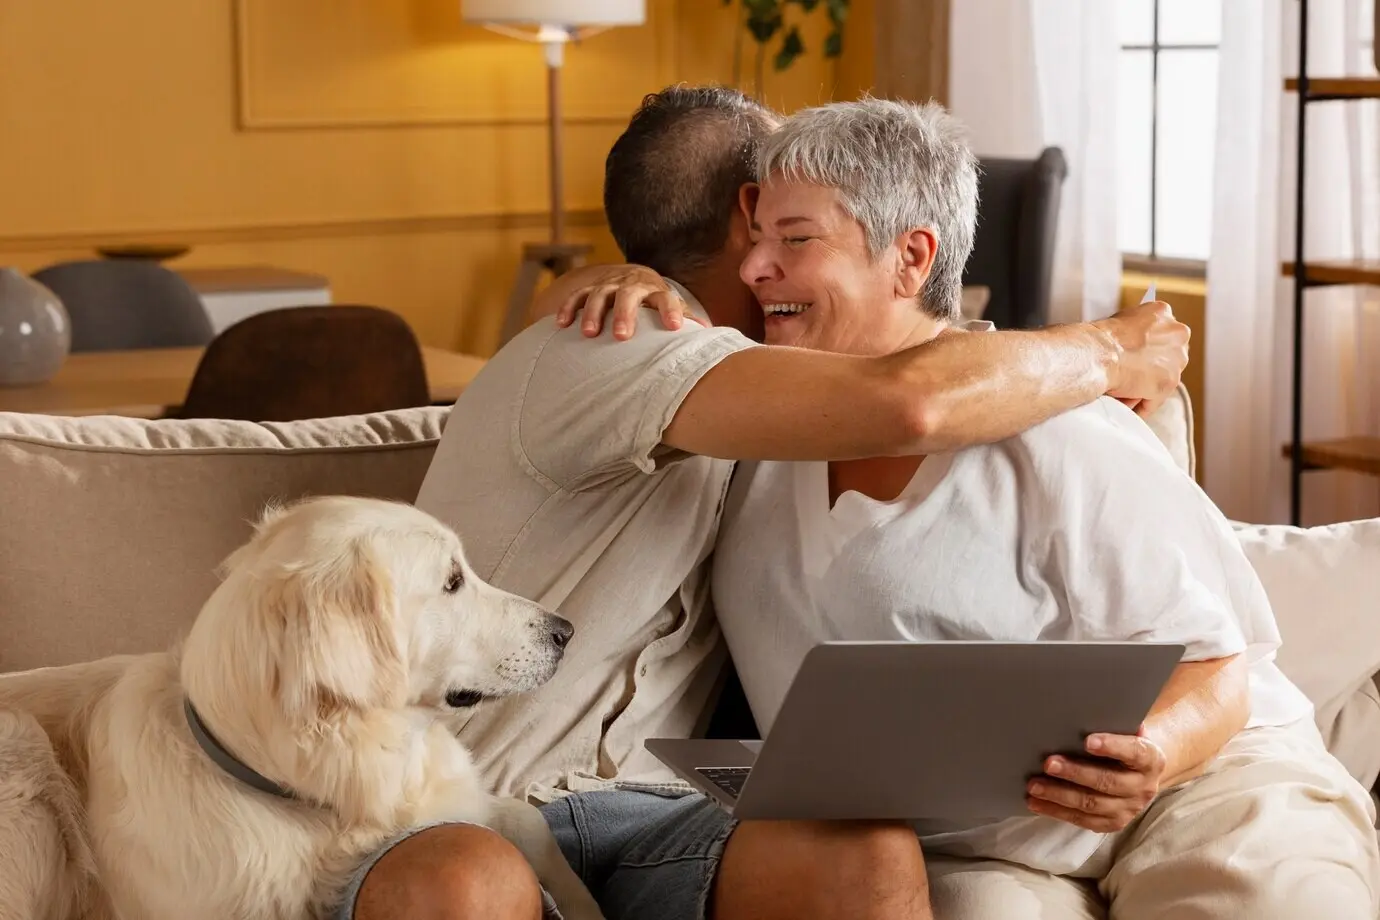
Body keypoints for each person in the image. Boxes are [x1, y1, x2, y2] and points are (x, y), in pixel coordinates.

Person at [335, 85, 1191, 920]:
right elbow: (914, 402)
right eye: (780, 221)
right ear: (749, 214)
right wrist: (1112, 349)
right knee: (464, 884)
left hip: (663, 813)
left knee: (866, 849)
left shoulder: (751, 388)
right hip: (468, 806)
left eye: (803, 227)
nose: (772, 263)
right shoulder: (610, 345)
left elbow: (912, 368)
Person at [677, 97, 1375, 919]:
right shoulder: (758, 429)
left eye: (795, 240)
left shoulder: (1060, 432)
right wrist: (616, 283)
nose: (756, 268)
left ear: (910, 259)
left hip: (1203, 789)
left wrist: (1150, 754)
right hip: (983, 843)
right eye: (754, 240)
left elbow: (1224, 671)